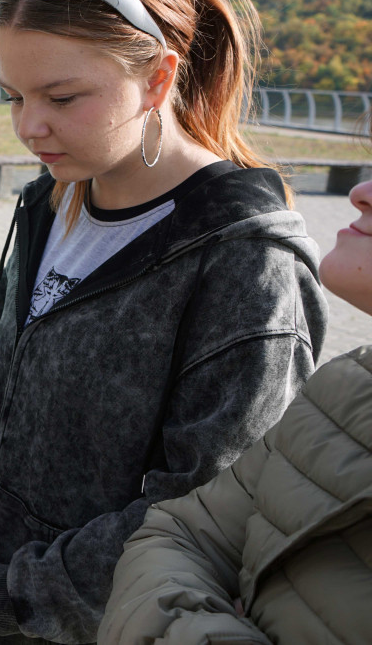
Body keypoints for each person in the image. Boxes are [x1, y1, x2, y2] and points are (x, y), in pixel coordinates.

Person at [0, 0, 328, 642]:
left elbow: (204, 517)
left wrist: (0, 595)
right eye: (14, 97)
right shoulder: (52, 199)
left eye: (61, 96)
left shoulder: (248, 265)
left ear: (159, 79)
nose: (30, 126)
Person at [97, 176, 372, 643]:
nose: (361, 191)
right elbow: (175, 532)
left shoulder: (253, 254)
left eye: (63, 98)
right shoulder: (348, 387)